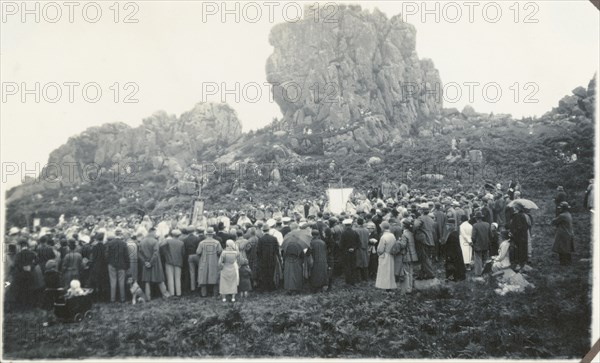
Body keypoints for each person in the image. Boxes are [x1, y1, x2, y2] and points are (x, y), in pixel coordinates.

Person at [139, 228, 170, 301]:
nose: (156, 234)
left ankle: (148, 297)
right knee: (159, 279)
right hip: (155, 263)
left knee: (147, 281)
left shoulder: (142, 241)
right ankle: (165, 295)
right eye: (155, 232)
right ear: (152, 232)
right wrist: (151, 262)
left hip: (146, 264)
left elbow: (139, 254)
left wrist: (145, 262)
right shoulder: (155, 241)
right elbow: (156, 253)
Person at [196, 227, 223, 297]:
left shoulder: (202, 243)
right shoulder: (217, 242)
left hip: (204, 260)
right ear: (213, 234)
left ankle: (204, 294)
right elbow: (220, 251)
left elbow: (198, 252)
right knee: (214, 276)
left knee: (203, 276)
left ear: (206, 234)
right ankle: (215, 294)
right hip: (214, 261)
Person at [105, 229, 130, 303]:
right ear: (121, 234)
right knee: (121, 282)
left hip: (112, 264)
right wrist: (127, 265)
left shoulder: (110, 243)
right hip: (121, 265)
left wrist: (109, 262)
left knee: (113, 282)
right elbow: (126, 256)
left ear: (115, 234)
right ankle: (122, 299)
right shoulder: (124, 243)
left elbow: (106, 255)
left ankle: (112, 299)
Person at [13, 238, 38, 307]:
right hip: (30, 273)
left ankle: (23, 304)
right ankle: (30, 304)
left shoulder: (18, 254)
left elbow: (16, 264)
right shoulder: (32, 253)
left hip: (21, 274)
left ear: (21, 246)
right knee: (30, 288)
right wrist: (31, 266)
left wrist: (22, 267)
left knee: (23, 289)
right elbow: (37, 261)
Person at [413, 205, 435, 280]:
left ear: (422, 211)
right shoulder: (431, 219)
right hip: (430, 240)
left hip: (423, 240)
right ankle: (422, 274)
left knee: (424, 258)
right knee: (426, 257)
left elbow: (415, 226)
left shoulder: (420, 218)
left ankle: (430, 274)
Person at [256, 223, 280, 292]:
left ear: (263, 231)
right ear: (268, 230)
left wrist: (259, 258)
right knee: (271, 272)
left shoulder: (261, 239)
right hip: (272, 258)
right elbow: (277, 249)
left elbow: (258, 251)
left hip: (263, 259)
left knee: (264, 273)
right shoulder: (274, 238)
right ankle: (271, 287)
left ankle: (264, 286)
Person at [375, 222, 397, 291]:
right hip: (391, 255)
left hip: (385, 255)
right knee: (390, 271)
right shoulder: (392, 235)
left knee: (384, 271)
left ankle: (385, 286)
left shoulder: (383, 237)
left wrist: (379, 253)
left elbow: (380, 249)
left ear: (383, 228)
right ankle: (390, 285)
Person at [163, 229, 185, 297]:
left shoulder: (167, 241)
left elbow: (162, 248)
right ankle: (178, 293)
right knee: (178, 278)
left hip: (169, 261)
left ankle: (172, 293)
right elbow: (183, 253)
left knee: (170, 278)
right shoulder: (181, 243)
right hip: (178, 261)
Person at [398, 218, 418, 293]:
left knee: (406, 272)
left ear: (404, 226)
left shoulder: (404, 234)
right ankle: (410, 288)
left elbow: (403, 245)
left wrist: (399, 241)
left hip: (407, 255)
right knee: (410, 272)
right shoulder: (411, 233)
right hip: (413, 254)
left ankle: (406, 289)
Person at [339, 218, 360, 286]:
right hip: (353, 252)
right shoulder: (355, 233)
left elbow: (341, 245)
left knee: (347, 266)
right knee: (353, 266)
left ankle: (348, 281)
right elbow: (359, 243)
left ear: (345, 225)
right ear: (351, 225)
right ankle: (353, 281)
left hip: (346, 253)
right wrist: (354, 248)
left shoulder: (343, 234)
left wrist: (345, 249)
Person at [509, 204, 530, 271]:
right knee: (522, 250)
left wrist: (513, 233)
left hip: (519, 237)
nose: (513, 209)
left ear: (517, 209)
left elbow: (518, 227)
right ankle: (522, 264)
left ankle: (519, 265)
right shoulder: (522, 215)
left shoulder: (518, 216)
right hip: (523, 236)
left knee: (519, 250)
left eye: (514, 208)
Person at [471, 211, 491, 276]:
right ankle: (486, 272)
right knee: (486, 258)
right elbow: (490, 235)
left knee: (478, 259)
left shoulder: (475, 225)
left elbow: (473, 237)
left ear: (476, 218)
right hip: (486, 244)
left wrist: (473, 243)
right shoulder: (487, 224)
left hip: (478, 245)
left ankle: (478, 273)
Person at [184, 227, 202, 292]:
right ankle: (200, 285)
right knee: (199, 270)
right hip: (197, 255)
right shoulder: (197, 238)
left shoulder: (185, 239)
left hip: (189, 255)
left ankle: (192, 288)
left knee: (192, 272)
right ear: (193, 230)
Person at [353, 218, 370, 282]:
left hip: (358, 248)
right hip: (365, 248)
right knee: (365, 263)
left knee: (358, 264)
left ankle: (359, 279)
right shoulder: (366, 230)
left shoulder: (355, 230)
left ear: (357, 222)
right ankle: (365, 278)